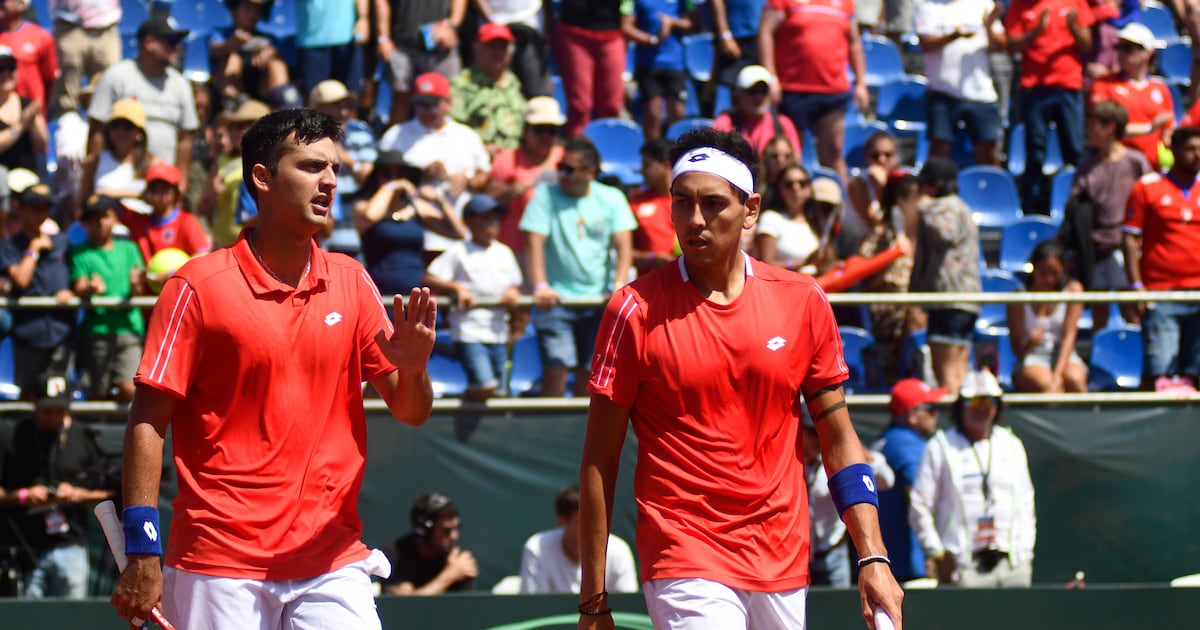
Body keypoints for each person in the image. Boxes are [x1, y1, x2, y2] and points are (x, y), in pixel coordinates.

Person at [109, 108, 439, 628]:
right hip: (219, 563)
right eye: (311, 166)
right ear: (261, 178)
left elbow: (411, 410)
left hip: (332, 559)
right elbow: (147, 422)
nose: (329, 181)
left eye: (334, 168)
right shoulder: (195, 287)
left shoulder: (353, 281)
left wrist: (415, 368)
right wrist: (142, 549)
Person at [578, 128, 903, 628]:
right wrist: (593, 598)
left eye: (713, 204)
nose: (695, 219)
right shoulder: (632, 310)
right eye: (682, 202)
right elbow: (599, 461)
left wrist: (873, 556)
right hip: (684, 552)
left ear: (750, 210)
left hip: (783, 556)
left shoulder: (802, 300)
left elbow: (839, 440)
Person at [518, 135, 636, 398]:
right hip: (555, 300)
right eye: (560, 167)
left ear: (590, 172)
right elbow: (533, 243)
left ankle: (584, 425)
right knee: (556, 368)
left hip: (598, 302)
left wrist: (618, 285)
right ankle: (552, 424)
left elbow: (623, 245)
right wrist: (540, 285)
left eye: (569, 169)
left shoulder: (612, 197)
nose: (562, 174)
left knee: (592, 374)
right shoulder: (545, 195)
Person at [909, 368, 1037, 588]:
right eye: (973, 402)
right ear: (961, 405)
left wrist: (1025, 551)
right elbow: (919, 504)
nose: (981, 409)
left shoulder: (1012, 444)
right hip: (964, 566)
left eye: (988, 401)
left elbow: (1026, 502)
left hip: (1013, 563)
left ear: (997, 406)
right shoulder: (940, 446)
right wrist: (937, 552)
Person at [0, 373, 115, 598]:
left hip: (71, 545)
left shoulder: (83, 437)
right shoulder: (11, 436)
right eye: (47, 411)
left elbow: (111, 492)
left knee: (70, 613)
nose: (53, 417)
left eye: (60, 410)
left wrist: (76, 495)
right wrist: (22, 496)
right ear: (34, 403)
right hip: (24, 549)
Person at [422, 194, 522, 399]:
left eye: (494, 218)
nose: (492, 224)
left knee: (500, 393)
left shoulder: (504, 252)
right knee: (485, 385)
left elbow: (514, 283)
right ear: (469, 222)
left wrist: (512, 291)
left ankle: (471, 405)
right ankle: (465, 399)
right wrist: (455, 287)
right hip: (469, 331)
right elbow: (429, 278)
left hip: (498, 331)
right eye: (485, 218)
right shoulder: (458, 251)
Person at [1123, 126, 1200, 394]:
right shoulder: (1148, 187)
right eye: (1190, 149)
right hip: (1161, 292)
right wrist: (1136, 286)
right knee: (1158, 372)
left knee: (1196, 372)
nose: (1197, 155)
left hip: (1199, 293)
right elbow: (1130, 239)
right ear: (1174, 150)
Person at [1059, 99, 1147, 331]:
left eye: (1092, 125)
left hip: (1125, 249)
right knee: (1099, 311)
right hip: (1095, 249)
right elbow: (1073, 206)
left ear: (1110, 127)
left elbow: (1149, 201)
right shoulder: (1086, 166)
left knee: (1131, 309)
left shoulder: (1136, 162)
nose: (1087, 131)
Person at [760, 0, 869, 186]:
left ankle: (840, 200)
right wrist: (771, 77)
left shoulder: (845, 3)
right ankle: (789, 200)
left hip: (833, 90)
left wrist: (860, 82)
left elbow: (854, 42)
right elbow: (766, 33)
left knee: (833, 152)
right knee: (791, 155)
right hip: (793, 89)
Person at [86, 15, 199, 188]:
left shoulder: (181, 85)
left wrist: (181, 184)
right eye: (171, 41)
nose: (178, 46)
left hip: (162, 187)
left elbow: (185, 140)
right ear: (149, 43)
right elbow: (97, 131)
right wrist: (92, 180)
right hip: (119, 181)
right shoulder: (116, 76)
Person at [1006, 0, 1093, 214]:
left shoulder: (1075, 2)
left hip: (1068, 85)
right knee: (1035, 152)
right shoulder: (1020, 6)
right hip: (1034, 88)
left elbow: (1086, 44)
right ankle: (1032, 211)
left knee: (1074, 150)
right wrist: (1035, 32)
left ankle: (1079, 209)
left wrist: (1073, 27)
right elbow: (1012, 45)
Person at [909, 156, 980, 396]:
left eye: (924, 184)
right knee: (957, 371)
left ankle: (954, 416)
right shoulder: (960, 207)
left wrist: (923, 207)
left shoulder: (946, 207)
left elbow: (945, 233)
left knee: (946, 371)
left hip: (949, 298)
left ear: (935, 184)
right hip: (962, 299)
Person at [354, 151, 466, 300]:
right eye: (387, 174)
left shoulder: (416, 207)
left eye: (400, 174)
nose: (395, 178)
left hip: (415, 288)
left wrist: (440, 200)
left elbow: (458, 233)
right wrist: (392, 186)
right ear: (376, 177)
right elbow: (371, 215)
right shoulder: (362, 206)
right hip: (381, 290)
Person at [801, 411, 895, 588]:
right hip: (800, 554)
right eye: (811, 433)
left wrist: (852, 447)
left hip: (833, 551)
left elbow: (886, 480)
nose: (817, 439)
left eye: (820, 433)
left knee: (839, 602)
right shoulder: (791, 462)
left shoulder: (836, 459)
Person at [0, 182, 75, 396]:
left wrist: (72, 292)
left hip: (61, 332)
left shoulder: (62, 242)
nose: (40, 214)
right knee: (29, 396)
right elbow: (21, 280)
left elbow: (77, 278)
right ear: (21, 209)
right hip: (28, 335)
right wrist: (33, 249)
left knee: (58, 397)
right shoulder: (10, 246)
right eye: (34, 208)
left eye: (45, 208)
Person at [70, 194, 145, 403]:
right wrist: (90, 288)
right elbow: (79, 286)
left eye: (105, 216)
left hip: (129, 328)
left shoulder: (130, 249)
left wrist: (136, 284)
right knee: (99, 392)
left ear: (115, 219)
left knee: (130, 389)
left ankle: (121, 422)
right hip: (97, 331)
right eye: (93, 218)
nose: (100, 222)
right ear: (85, 223)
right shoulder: (79, 252)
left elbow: (138, 290)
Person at [379, 72, 491, 211]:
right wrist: (420, 175)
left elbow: (484, 173)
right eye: (421, 105)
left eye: (432, 105)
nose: (427, 111)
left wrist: (467, 180)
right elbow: (381, 179)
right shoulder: (395, 135)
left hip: (461, 214)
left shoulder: (467, 135)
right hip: (411, 214)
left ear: (448, 103)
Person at [914, 0, 1007, 166]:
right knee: (939, 151)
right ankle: (934, 184)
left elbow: (1001, 45)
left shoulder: (984, 4)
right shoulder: (928, 6)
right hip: (943, 91)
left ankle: (990, 183)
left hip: (980, 92)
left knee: (988, 153)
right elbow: (926, 44)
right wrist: (954, 35)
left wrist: (988, 26)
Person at [872, 378, 945, 584]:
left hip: (889, 558)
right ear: (912, 415)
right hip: (909, 563)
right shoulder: (905, 442)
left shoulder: (888, 438)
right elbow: (918, 494)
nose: (936, 414)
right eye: (930, 409)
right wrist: (932, 549)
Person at [859, 169, 922, 384]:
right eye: (917, 197)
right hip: (888, 308)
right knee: (915, 314)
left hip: (920, 307)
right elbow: (865, 281)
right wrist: (892, 256)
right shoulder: (882, 236)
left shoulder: (929, 236)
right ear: (901, 201)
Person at [1088, 22, 1176, 172]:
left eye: (1128, 48)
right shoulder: (1103, 84)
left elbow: (1168, 129)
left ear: (1146, 53)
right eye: (1119, 47)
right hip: (1116, 168)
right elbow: (1103, 127)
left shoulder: (1161, 89)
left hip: (1152, 168)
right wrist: (1148, 128)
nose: (1121, 53)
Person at [518, 484, 637, 594]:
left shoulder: (619, 551)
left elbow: (627, 604)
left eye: (595, 519)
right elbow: (534, 605)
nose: (592, 528)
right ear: (562, 521)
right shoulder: (537, 549)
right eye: (584, 521)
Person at [485, 95, 566, 256]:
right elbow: (487, 200)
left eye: (551, 131)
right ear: (526, 130)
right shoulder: (507, 159)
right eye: (539, 130)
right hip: (516, 249)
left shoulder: (566, 159)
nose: (545, 136)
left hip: (557, 252)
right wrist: (509, 192)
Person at [1007, 240, 1088, 393]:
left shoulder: (1073, 290)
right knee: (1049, 388)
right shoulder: (1017, 297)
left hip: (1065, 354)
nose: (1049, 279)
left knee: (1075, 380)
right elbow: (1017, 349)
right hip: (1032, 356)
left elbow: (1069, 336)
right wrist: (1030, 343)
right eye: (1043, 272)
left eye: (1055, 273)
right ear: (1033, 268)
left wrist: (1057, 373)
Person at [374, 0, 465, 127]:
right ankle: (395, 139)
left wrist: (452, 25)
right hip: (403, 44)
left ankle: (449, 138)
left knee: (447, 99)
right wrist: (383, 37)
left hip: (441, 47)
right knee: (401, 99)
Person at [620, 0, 696, 140]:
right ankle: (653, 149)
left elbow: (691, 22)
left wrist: (672, 22)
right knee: (653, 114)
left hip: (675, 63)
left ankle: (678, 146)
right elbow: (626, 26)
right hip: (648, 64)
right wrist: (651, 39)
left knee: (677, 111)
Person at [550, 0, 627, 138]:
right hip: (574, 33)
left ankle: (608, 145)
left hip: (611, 34)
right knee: (580, 105)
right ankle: (577, 147)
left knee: (612, 105)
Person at [450, 22, 527, 153]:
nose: (497, 53)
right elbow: (453, 127)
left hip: (513, 156)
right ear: (476, 50)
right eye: (491, 47)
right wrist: (480, 150)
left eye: (502, 48)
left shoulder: (514, 82)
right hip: (476, 155)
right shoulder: (462, 83)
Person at [208, 0, 299, 110]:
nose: (252, 14)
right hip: (231, 83)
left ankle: (285, 106)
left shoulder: (269, 38)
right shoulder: (221, 34)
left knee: (276, 63)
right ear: (235, 9)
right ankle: (231, 104)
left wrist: (270, 53)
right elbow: (214, 50)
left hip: (262, 86)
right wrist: (231, 44)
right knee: (233, 58)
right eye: (247, 8)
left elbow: (279, 54)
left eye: (257, 10)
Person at [382, 492, 478, 595]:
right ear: (424, 531)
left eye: (456, 528)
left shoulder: (459, 561)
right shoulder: (395, 556)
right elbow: (406, 603)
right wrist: (450, 575)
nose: (454, 536)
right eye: (446, 531)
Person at [120, 163, 212, 263]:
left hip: (180, 272)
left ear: (175, 192)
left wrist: (176, 269)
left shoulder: (186, 221)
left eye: (164, 189)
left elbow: (202, 253)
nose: (158, 194)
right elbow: (109, 201)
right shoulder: (139, 221)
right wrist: (138, 195)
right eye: (153, 189)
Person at [48, 0, 122, 118]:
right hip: (68, 23)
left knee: (109, 83)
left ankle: (105, 124)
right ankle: (65, 121)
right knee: (66, 94)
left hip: (106, 22)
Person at [712, 64, 801, 157]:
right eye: (752, 91)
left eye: (764, 91)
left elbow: (796, 160)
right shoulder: (726, 122)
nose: (759, 97)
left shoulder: (783, 124)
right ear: (738, 93)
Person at [79, 98, 151, 206]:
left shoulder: (152, 164)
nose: (120, 132)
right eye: (115, 126)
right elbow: (82, 203)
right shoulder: (94, 161)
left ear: (139, 132)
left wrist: (106, 193)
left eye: (127, 127)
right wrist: (138, 195)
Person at [628, 138, 678, 275]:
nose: (642, 171)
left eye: (647, 165)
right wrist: (651, 259)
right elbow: (624, 252)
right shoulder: (636, 202)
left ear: (666, 165)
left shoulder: (691, 200)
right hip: (649, 282)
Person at [0, 0, 57, 111]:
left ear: (20, 5)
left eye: (2, 1)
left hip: (34, 114)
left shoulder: (42, 37)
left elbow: (50, 80)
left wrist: (39, 109)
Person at [846, 131, 900, 247]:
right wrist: (881, 186)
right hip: (860, 246)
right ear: (866, 157)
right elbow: (875, 224)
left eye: (888, 155)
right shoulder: (857, 183)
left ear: (897, 157)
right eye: (875, 156)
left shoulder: (903, 182)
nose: (882, 160)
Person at [0, 45, 47, 174]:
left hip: (27, 177)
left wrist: (33, 120)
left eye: (11, 67)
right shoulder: (23, 119)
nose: (6, 74)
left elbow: (41, 145)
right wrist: (20, 125)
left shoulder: (27, 104)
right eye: (0, 68)